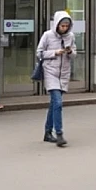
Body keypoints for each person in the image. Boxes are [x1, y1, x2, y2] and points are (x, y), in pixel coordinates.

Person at [37, 11, 77, 147]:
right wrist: (55, 52)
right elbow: (39, 53)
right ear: (57, 24)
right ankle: (59, 133)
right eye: (62, 26)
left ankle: (47, 132)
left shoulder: (70, 36)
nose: (64, 28)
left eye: (66, 26)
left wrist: (70, 51)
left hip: (64, 73)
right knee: (58, 103)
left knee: (54, 103)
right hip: (50, 71)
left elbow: (74, 54)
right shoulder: (47, 35)